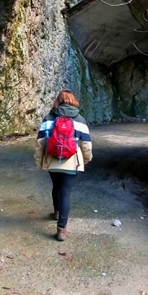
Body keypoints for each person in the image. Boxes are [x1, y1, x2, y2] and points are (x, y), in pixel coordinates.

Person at [34, 90, 93, 241]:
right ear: (73, 101)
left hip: (52, 160)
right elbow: (86, 144)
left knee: (56, 186)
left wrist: (39, 160)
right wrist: (86, 159)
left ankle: (56, 212)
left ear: (58, 102)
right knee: (65, 191)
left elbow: (40, 142)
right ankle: (61, 230)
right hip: (72, 162)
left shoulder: (49, 118)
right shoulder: (80, 119)